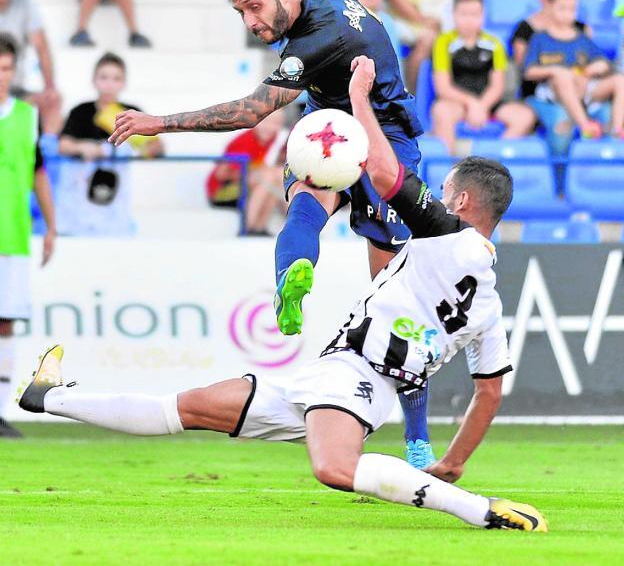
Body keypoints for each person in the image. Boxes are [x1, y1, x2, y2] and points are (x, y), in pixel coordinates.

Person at [18, 57, 548, 534]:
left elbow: (386, 175)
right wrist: (453, 459)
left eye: (444, 191)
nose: (437, 196)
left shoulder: (444, 232)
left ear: (458, 198)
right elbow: (489, 394)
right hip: (329, 379)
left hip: (355, 378)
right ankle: (49, 395)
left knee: (335, 469)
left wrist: (359, 99)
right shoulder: (490, 308)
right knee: (186, 409)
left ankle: (478, 510)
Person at [109, 0, 437, 469]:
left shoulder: (314, 43)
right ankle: (416, 438)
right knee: (393, 291)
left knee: (323, 225)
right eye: (239, 12)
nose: (251, 23)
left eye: (253, 6)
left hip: (378, 135)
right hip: (340, 128)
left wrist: (162, 121)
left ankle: (298, 269)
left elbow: (249, 111)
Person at [0, 33, 56, 438]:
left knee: (5, 324)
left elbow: (38, 172)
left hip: (13, 234)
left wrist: (51, 226)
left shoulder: (25, 115)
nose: (2, 76)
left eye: (6, 68)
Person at [56, 52, 163, 236]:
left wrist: (141, 148)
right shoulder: (81, 111)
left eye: (116, 78)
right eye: (103, 77)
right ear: (94, 80)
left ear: (123, 82)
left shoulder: (131, 113)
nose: (109, 84)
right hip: (80, 193)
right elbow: (63, 145)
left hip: (116, 195)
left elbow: (156, 146)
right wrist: (83, 147)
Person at [523, 0, 624, 153]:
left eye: (572, 9)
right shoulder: (540, 38)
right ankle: (585, 126)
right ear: (550, 6)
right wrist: (555, 70)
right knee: (563, 76)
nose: (567, 14)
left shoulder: (581, 38)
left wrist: (594, 68)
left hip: (585, 90)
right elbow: (529, 72)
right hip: (554, 94)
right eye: (562, 8)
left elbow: (603, 62)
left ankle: (616, 130)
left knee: (619, 80)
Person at [432, 0, 536, 154]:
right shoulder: (443, 43)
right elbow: (443, 87)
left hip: (489, 103)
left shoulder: (494, 43)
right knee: (441, 111)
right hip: (458, 103)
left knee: (525, 116)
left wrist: (482, 106)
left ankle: (492, 161)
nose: (469, 20)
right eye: (463, 14)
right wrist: (471, 103)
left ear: (483, 14)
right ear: (453, 14)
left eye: (475, 14)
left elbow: (497, 86)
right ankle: (449, 168)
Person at [0, 0, 62, 134]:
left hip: (15, 89)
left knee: (53, 100)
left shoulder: (26, 7)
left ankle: (45, 153)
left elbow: (42, 48)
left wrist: (49, 86)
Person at [510, 0, 589, 98]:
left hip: (579, 92)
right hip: (540, 97)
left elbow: (590, 63)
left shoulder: (582, 28)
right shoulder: (524, 30)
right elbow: (525, 72)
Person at [206, 109, 289, 236]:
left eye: (276, 123)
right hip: (221, 191)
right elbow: (221, 174)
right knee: (267, 177)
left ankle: (260, 227)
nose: (270, 127)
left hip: (248, 188)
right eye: (266, 122)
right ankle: (248, 226)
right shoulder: (244, 141)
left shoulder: (274, 139)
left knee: (276, 176)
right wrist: (255, 174)